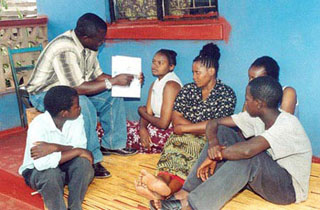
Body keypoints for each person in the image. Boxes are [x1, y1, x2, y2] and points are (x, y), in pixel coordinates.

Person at [155, 76, 312, 210]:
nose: (246, 103)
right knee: (224, 132)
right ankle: (186, 192)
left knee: (249, 158)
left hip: (288, 189)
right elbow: (213, 123)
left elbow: (247, 152)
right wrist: (214, 145)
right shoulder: (256, 116)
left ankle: (193, 205)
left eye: (248, 99)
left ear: (259, 104)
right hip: (266, 173)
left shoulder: (287, 124)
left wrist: (214, 156)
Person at [26, 13, 141, 178]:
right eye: (99, 40)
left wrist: (127, 79)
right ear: (85, 37)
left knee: (113, 95)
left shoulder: (90, 46)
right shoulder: (64, 48)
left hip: (70, 89)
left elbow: (97, 76)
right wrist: (113, 81)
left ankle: (112, 144)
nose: (102, 42)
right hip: (44, 93)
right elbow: (77, 88)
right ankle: (90, 158)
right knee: (83, 105)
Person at [135, 43, 237, 204]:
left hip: (208, 140)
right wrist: (192, 127)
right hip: (183, 135)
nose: (194, 77)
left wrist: (185, 128)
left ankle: (161, 192)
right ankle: (160, 185)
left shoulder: (226, 94)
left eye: (198, 73)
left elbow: (217, 124)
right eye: (193, 72)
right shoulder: (188, 90)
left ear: (211, 72)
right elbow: (176, 118)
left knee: (188, 158)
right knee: (171, 156)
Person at [19, 86, 94, 210]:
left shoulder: (76, 118)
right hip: (36, 172)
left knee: (84, 165)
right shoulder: (38, 126)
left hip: (62, 168)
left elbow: (80, 148)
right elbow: (42, 164)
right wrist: (77, 151)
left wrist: (55, 147)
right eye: (76, 106)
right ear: (64, 113)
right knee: (51, 175)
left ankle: (75, 207)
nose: (80, 108)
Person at [127, 49, 182, 153]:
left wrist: (141, 112)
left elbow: (163, 124)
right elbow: (148, 112)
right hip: (155, 125)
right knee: (123, 127)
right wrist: (142, 128)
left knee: (125, 134)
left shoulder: (171, 85)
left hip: (169, 133)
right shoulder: (156, 83)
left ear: (171, 67)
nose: (154, 66)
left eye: (160, 63)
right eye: (153, 62)